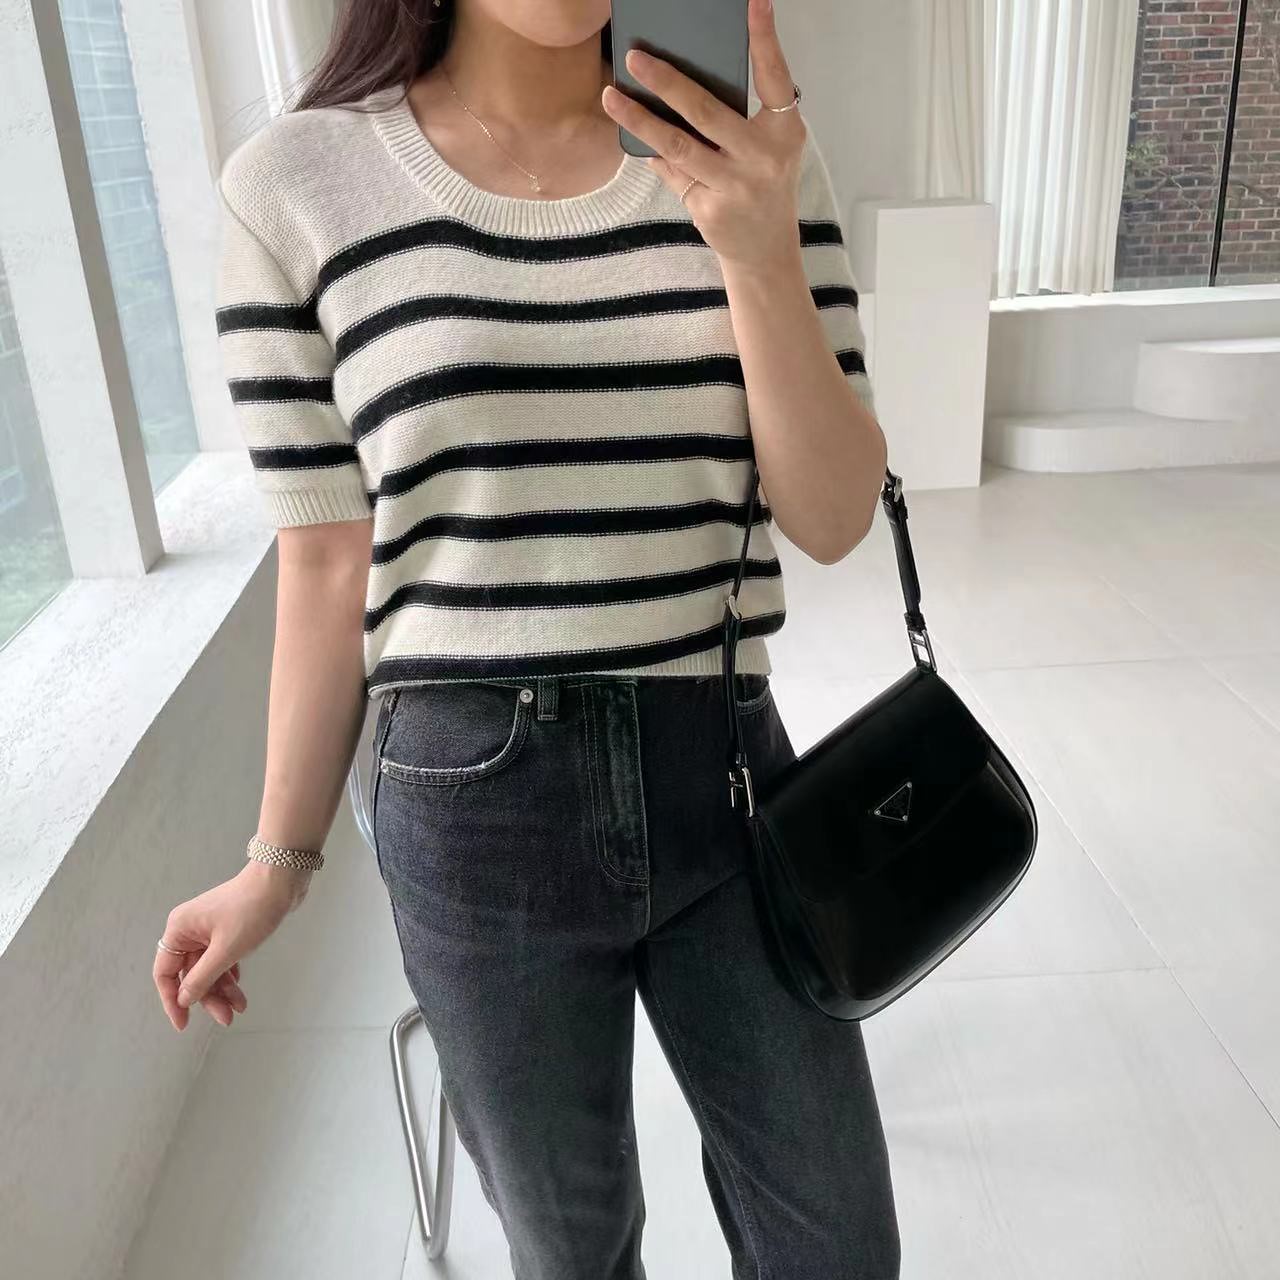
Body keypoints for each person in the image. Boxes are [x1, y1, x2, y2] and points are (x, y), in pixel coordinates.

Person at [154, 0, 900, 1275]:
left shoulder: (747, 145)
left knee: (833, 1241)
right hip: (471, 807)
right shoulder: (295, 186)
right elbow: (326, 559)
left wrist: (758, 252)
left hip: (721, 769)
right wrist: (275, 861)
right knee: (572, 1249)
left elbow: (830, 518)